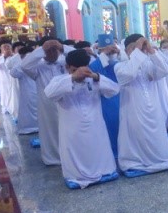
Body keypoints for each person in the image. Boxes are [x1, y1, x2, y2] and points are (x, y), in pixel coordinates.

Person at [44, 49, 120, 189]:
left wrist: (97, 76)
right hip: (73, 131)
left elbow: (115, 90)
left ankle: (104, 171)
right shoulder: (60, 80)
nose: (80, 73)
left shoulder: (93, 79)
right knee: (76, 158)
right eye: (74, 70)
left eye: (82, 69)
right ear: (67, 67)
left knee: (100, 154)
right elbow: (49, 93)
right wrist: (72, 78)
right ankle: (78, 176)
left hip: (96, 127)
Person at [115, 34, 168, 177]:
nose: (139, 50)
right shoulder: (120, 66)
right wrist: (138, 53)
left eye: (141, 47)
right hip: (133, 110)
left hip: (152, 109)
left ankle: (157, 160)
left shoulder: (148, 65)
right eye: (134, 48)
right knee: (136, 136)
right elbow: (129, 74)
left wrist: (152, 52)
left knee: (156, 135)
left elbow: (165, 71)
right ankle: (136, 163)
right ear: (127, 50)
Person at [21, 39, 72, 165]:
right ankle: (53, 157)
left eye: (55, 51)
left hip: (67, 102)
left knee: (69, 130)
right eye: (49, 51)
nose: (53, 54)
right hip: (47, 105)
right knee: (51, 131)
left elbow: (79, 56)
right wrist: (41, 49)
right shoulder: (38, 68)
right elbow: (24, 65)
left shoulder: (65, 63)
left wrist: (62, 47)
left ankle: (70, 155)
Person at [89, 35, 122, 159]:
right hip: (105, 102)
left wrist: (119, 53)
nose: (111, 53)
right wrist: (105, 54)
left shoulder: (119, 63)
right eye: (107, 50)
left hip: (123, 100)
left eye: (113, 49)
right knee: (110, 128)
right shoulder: (94, 65)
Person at [9, 46, 39, 135]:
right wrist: (24, 62)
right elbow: (13, 73)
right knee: (28, 109)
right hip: (27, 91)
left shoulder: (38, 62)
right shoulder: (21, 65)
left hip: (40, 89)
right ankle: (29, 127)